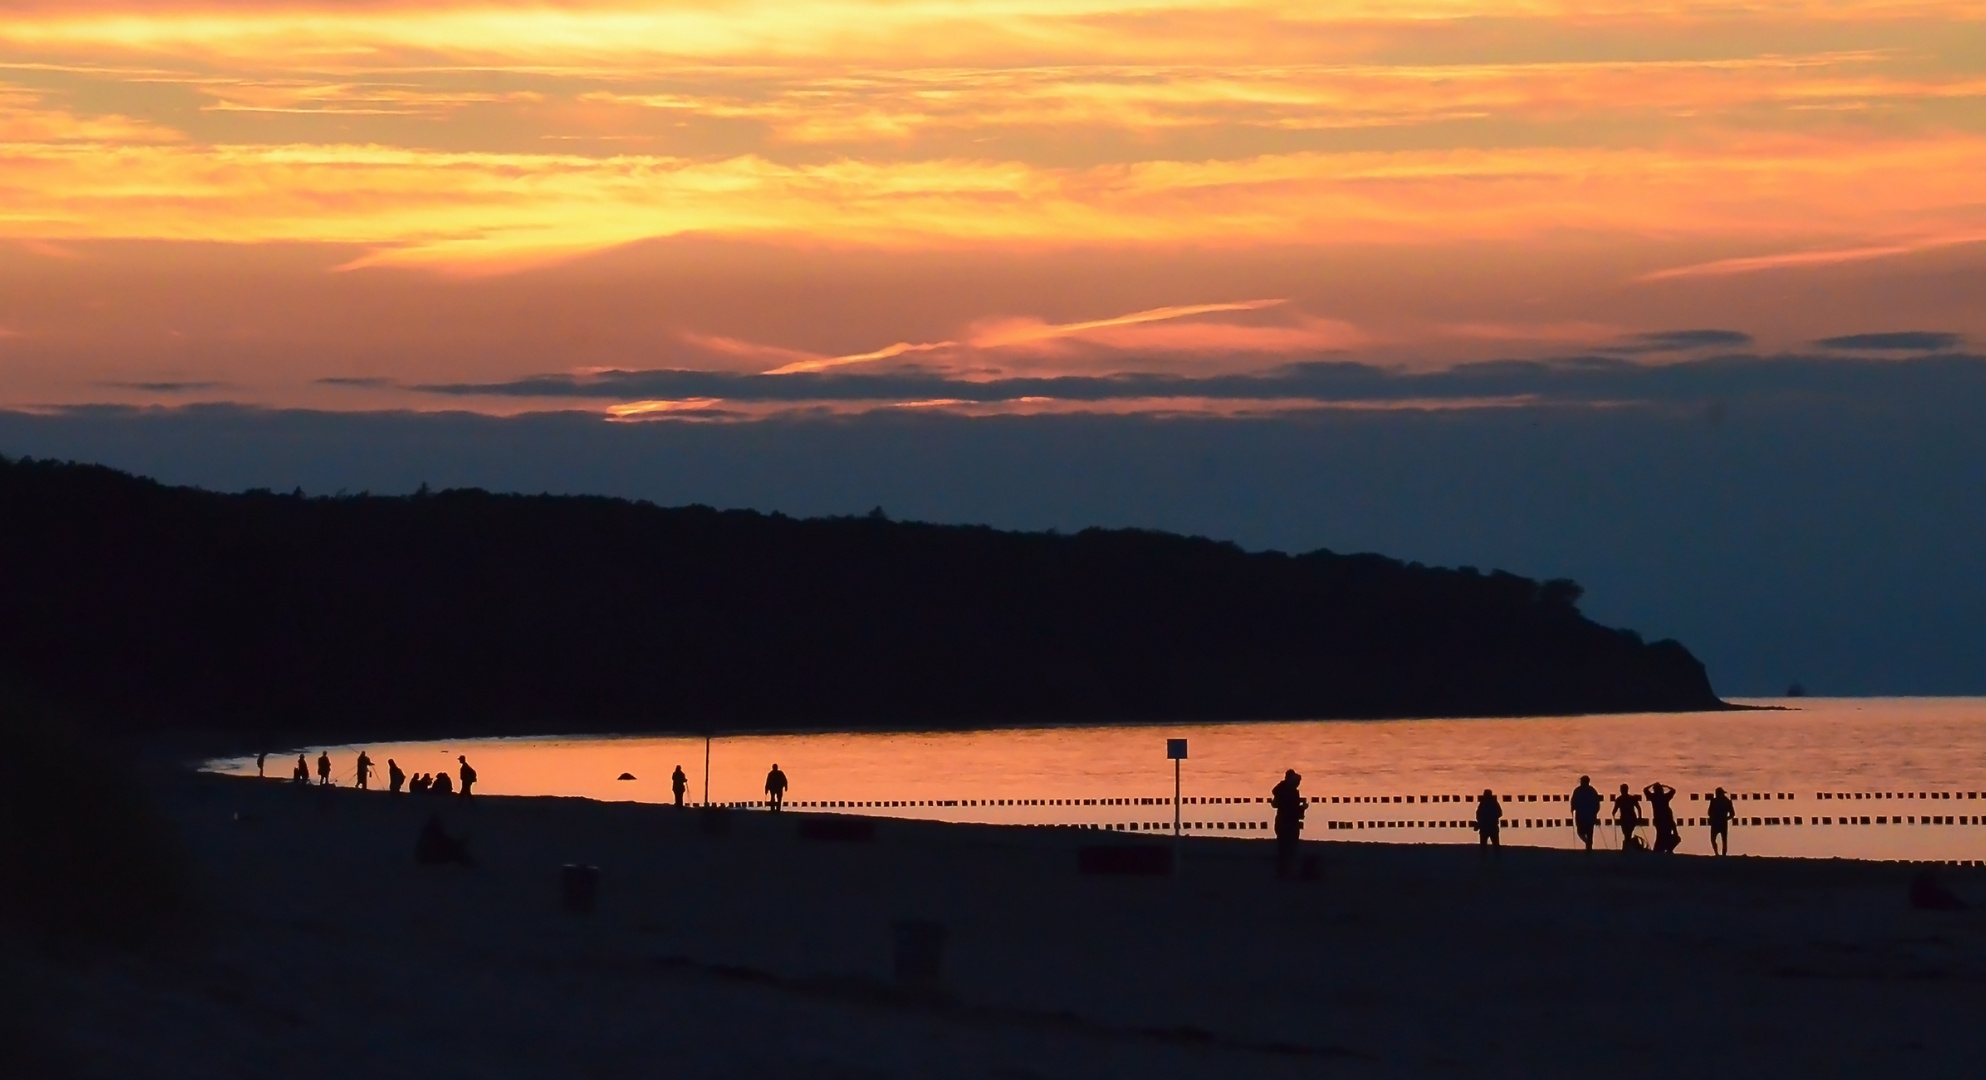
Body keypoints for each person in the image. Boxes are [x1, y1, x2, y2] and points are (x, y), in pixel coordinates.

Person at [1270, 769, 1306, 878]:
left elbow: (1275, 804)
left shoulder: (1280, 791)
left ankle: (1281, 871)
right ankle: (1288, 871)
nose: (1298, 784)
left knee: (1282, 847)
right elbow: (1292, 809)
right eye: (1297, 782)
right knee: (1290, 847)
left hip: (1280, 820)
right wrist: (1302, 808)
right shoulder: (1293, 792)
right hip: (1290, 822)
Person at [1645, 782, 1680, 853]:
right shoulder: (1665, 797)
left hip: (1659, 820)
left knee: (1660, 836)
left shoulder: (1654, 797)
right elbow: (1673, 790)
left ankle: (1660, 849)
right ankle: (1665, 849)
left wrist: (1651, 785)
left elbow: (1645, 790)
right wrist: (1666, 786)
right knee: (1666, 835)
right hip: (1666, 819)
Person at [1570, 775, 1602, 850]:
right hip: (1590, 814)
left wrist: (1573, 808)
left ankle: (1588, 844)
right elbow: (1597, 802)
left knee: (1580, 832)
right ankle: (1589, 844)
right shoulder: (1592, 790)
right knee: (1589, 832)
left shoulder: (1578, 790)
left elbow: (1573, 801)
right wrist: (1595, 812)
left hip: (1581, 814)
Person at [1613, 784, 1643, 850]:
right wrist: (1640, 817)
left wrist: (1613, 813)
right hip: (1632, 818)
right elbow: (1638, 808)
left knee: (1626, 833)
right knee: (1628, 833)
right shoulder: (1631, 798)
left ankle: (1626, 846)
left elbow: (1614, 810)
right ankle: (1628, 846)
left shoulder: (1619, 799)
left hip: (1625, 818)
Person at [1707, 787, 1735, 856]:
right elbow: (1732, 814)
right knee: (1723, 840)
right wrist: (1727, 818)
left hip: (1716, 822)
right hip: (1722, 822)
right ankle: (1723, 855)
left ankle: (1717, 854)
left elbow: (1709, 812)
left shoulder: (1714, 801)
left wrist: (1713, 817)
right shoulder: (1727, 801)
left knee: (1713, 839)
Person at [1475, 789, 1502, 854]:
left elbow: (1478, 814)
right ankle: (1496, 858)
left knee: (1484, 846)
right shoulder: (1494, 803)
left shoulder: (1483, 803)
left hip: (1486, 826)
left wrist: (1480, 821)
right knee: (1495, 845)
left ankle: (1485, 859)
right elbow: (1499, 813)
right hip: (1492, 826)